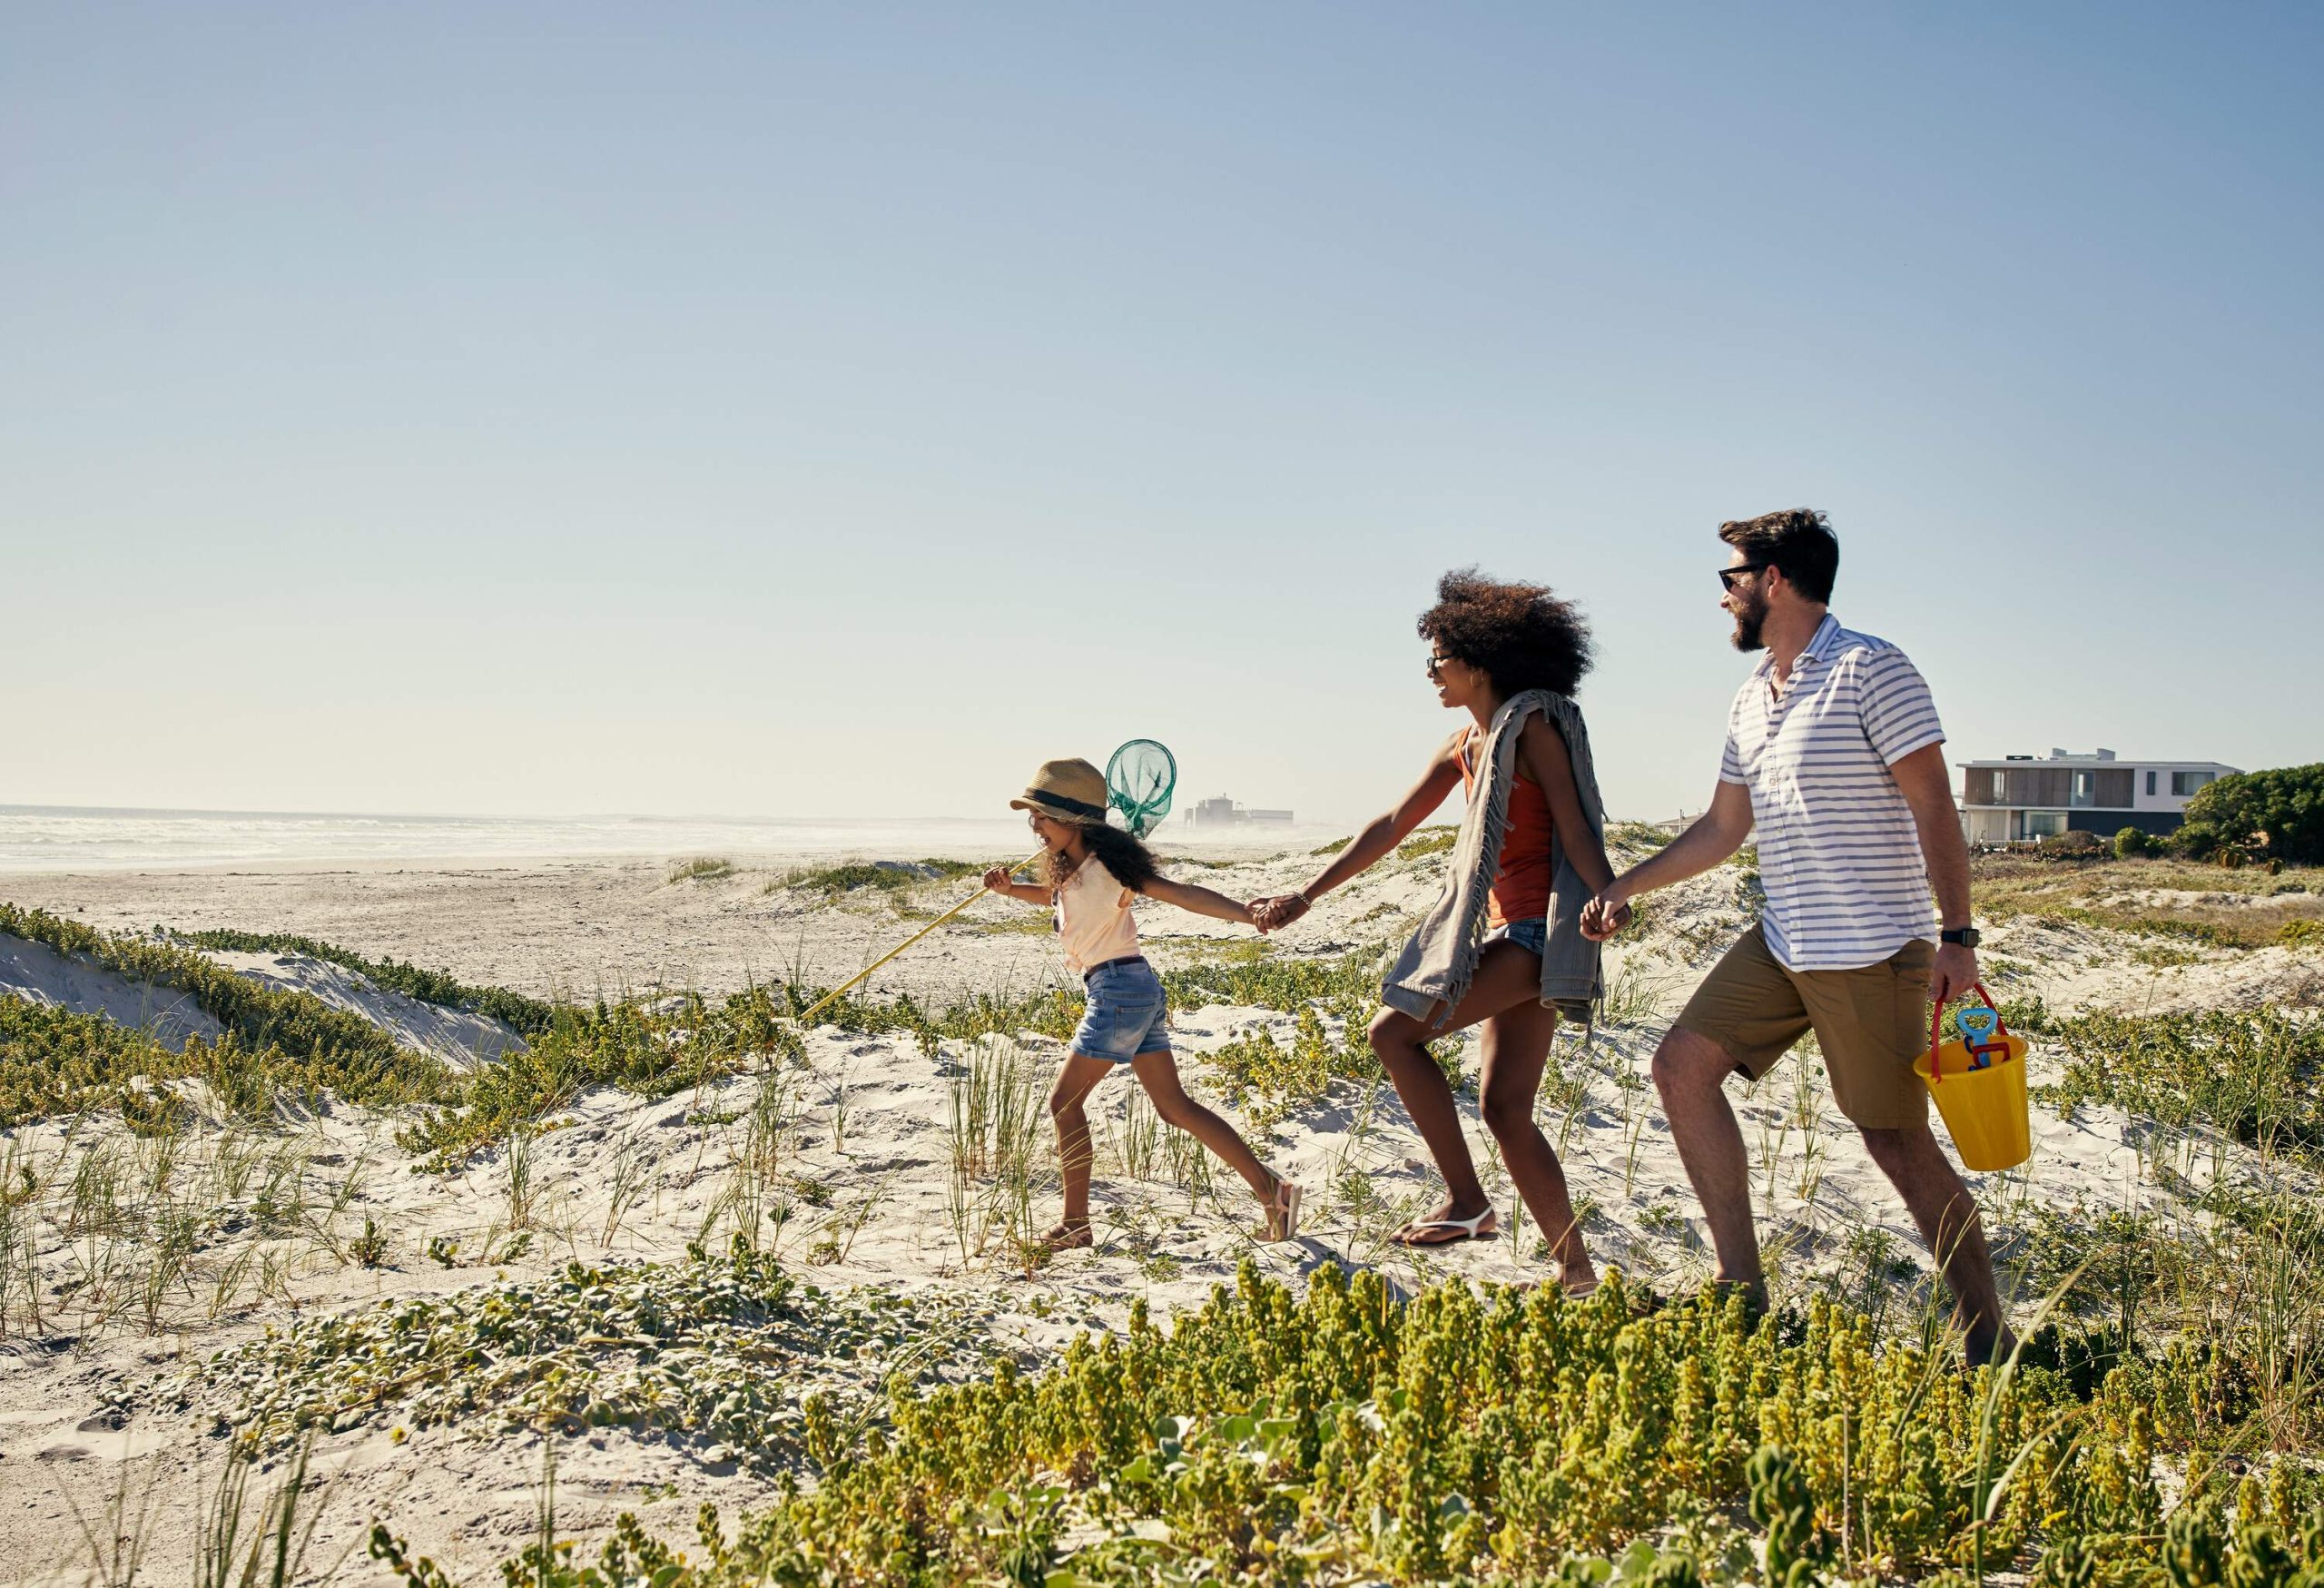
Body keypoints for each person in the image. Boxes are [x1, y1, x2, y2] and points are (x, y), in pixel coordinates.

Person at [1581, 508, 2014, 1363]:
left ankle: (1990, 1342)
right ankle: (1740, 1292)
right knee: (1680, 1067)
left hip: (1872, 952)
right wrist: (1625, 885)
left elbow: (1934, 802)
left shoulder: (1871, 669)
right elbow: (1722, 827)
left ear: (1773, 579)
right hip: (1783, 942)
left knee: (1894, 1143)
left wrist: (1957, 938)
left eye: (1730, 578)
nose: (1724, 598)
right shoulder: (1752, 696)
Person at [1251, 571, 1619, 1293]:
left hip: (1536, 937)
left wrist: (1610, 893)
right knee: (1504, 1107)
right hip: (1513, 934)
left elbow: (1576, 828)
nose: (1430, 673)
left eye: (1438, 659)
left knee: (1393, 1033)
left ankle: (1470, 1200)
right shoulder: (1465, 746)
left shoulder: (1533, 728)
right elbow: (1390, 825)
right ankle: (1576, 1271)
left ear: (1478, 661)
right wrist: (1308, 891)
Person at [985, 757, 1303, 1250]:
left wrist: (1248, 915)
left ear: (1073, 820)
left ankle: (1075, 1224)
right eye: (1032, 817)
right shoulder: (1074, 869)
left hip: (1119, 992)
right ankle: (1271, 1192)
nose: (1035, 826)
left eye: (1042, 816)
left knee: (1064, 1104)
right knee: (1174, 1107)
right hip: (1132, 988)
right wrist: (1009, 891)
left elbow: (1182, 896)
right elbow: (1053, 896)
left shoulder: (1111, 866)